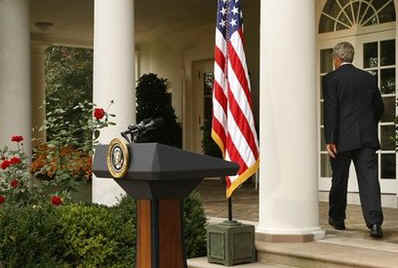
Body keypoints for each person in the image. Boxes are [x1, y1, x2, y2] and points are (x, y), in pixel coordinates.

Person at [323, 41, 384, 238]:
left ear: (336, 59)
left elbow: (331, 110)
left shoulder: (331, 79)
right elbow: (379, 107)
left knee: (339, 179)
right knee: (369, 180)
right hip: (366, 138)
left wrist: (330, 139)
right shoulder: (368, 78)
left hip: (341, 139)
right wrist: (368, 124)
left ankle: (337, 219)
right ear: (351, 57)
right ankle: (374, 224)